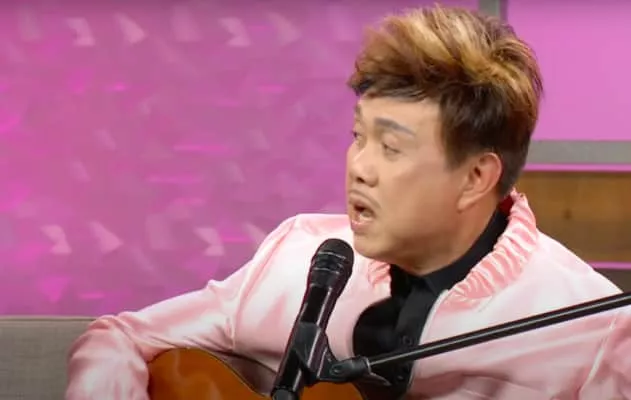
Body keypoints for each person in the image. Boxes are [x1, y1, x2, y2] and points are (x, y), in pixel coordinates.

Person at [65, 5, 631, 399]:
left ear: (475, 177)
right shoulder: (297, 256)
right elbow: (121, 336)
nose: (360, 166)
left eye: (391, 147)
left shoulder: (594, 329)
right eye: (359, 136)